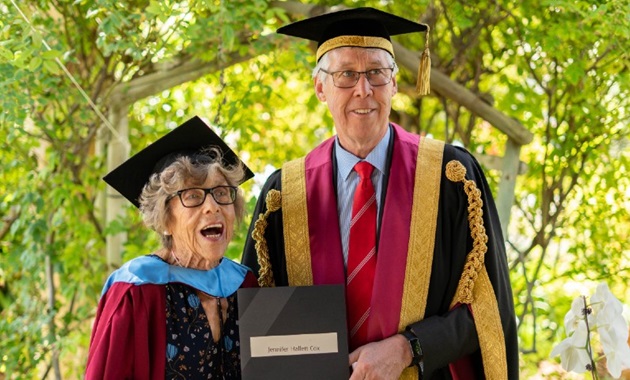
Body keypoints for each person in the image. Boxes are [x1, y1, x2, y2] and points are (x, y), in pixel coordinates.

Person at [242, 7, 519, 380]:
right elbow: (258, 325)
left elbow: (490, 309)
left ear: (394, 83)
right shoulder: (284, 196)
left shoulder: (450, 178)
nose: (363, 89)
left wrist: (410, 347)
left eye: (376, 72)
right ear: (320, 88)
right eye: (346, 75)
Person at [85, 116, 258, 379]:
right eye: (192, 196)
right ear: (165, 219)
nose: (213, 206)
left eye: (222, 193)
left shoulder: (245, 285)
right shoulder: (136, 291)